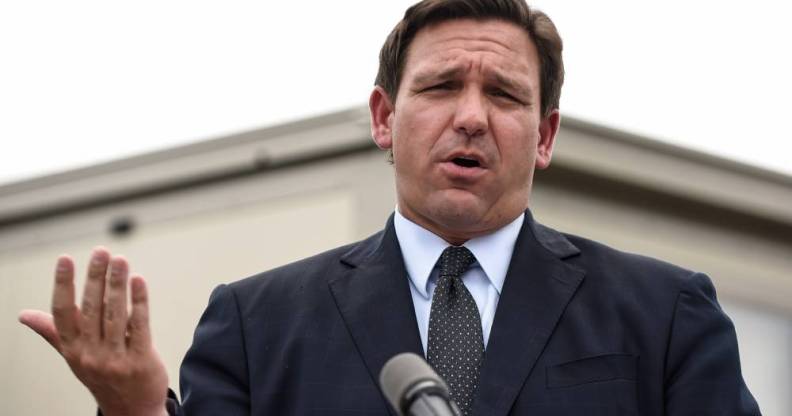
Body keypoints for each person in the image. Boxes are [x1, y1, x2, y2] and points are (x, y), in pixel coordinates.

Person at [19, 0, 761, 415]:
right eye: (440, 87)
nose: (471, 116)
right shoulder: (256, 324)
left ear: (545, 136)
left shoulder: (665, 315)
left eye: (503, 94)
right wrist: (137, 410)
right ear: (383, 118)